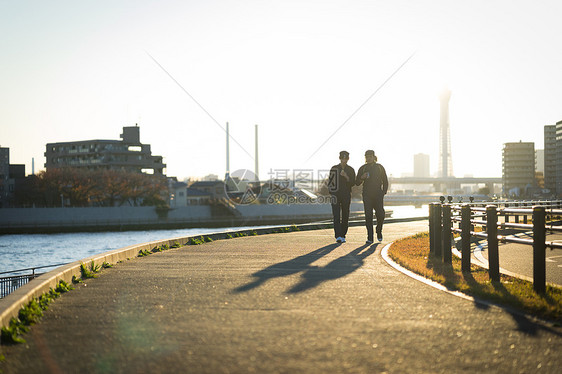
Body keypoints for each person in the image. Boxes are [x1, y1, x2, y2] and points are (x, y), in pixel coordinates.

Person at [356, 150, 388, 244]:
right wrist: (362, 177)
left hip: (378, 194)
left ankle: (379, 231)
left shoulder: (379, 167)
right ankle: (370, 237)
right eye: (367, 157)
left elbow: (385, 181)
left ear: (374, 157)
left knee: (381, 214)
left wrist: (383, 192)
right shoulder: (363, 168)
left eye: (370, 156)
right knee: (368, 216)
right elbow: (357, 182)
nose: (368, 158)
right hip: (367, 195)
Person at [328, 151, 356, 243]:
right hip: (336, 195)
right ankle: (337, 236)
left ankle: (343, 235)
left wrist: (346, 176)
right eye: (342, 158)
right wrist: (332, 193)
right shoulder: (334, 168)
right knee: (336, 215)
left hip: (346, 195)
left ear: (348, 159)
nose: (344, 160)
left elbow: (353, 183)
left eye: (346, 158)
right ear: (340, 158)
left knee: (345, 215)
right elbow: (330, 182)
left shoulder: (351, 170)